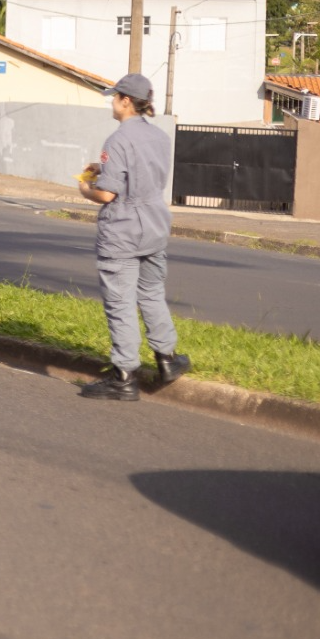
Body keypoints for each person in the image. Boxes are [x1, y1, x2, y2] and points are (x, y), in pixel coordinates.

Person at [75, 72, 190, 400]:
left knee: (120, 301)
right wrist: (106, 168)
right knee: (152, 291)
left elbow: (107, 195)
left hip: (123, 230)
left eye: (115, 97)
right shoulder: (160, 137)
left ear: (126, 101)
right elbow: (143, 174)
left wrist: (86, 188)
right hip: (154, 224)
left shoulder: (117, 140)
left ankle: (124, 376)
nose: (112, 102)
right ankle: (167, 359)